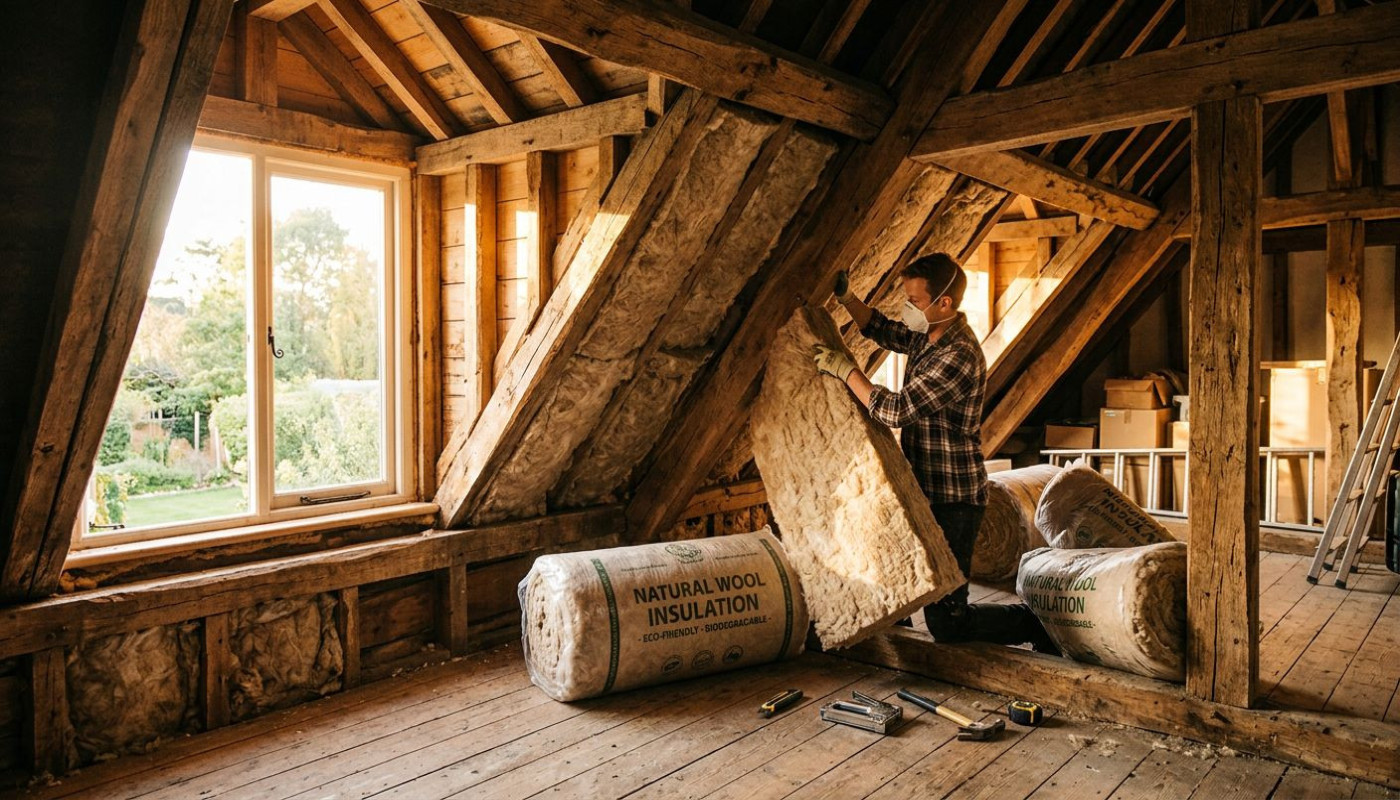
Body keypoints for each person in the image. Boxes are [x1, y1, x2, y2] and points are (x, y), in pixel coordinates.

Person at [812, 253, 1056, 652]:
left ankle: (1031, 622)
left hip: (954, 498)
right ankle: (903, 653)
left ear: (944, 303)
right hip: (923, 489)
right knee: (899, 584)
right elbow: (884, 330)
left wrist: (846, 371)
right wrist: (848, 298)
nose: (908, 308)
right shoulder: (928, 336)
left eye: (915, 301)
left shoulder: (958, 355)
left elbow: (897, 410)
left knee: (947, 622)